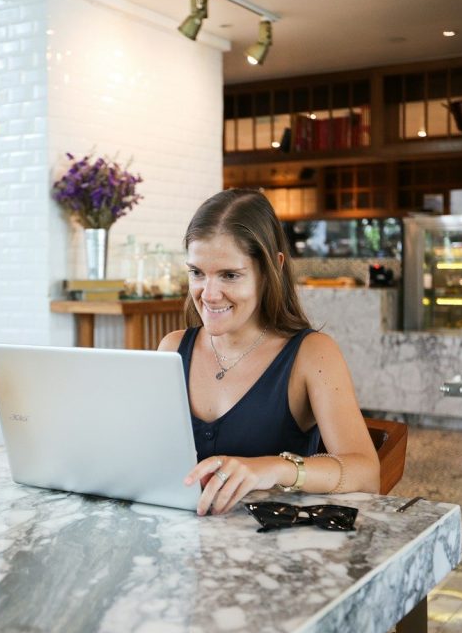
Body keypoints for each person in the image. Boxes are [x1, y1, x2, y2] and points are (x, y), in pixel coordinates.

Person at [159, 189, 380, 516]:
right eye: (197, 273)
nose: (209, 294)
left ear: (272, 268)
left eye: (230, 275)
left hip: (276, 549)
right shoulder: (172, 349)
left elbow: (367, 475)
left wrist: (275, 468)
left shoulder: (312, 354)